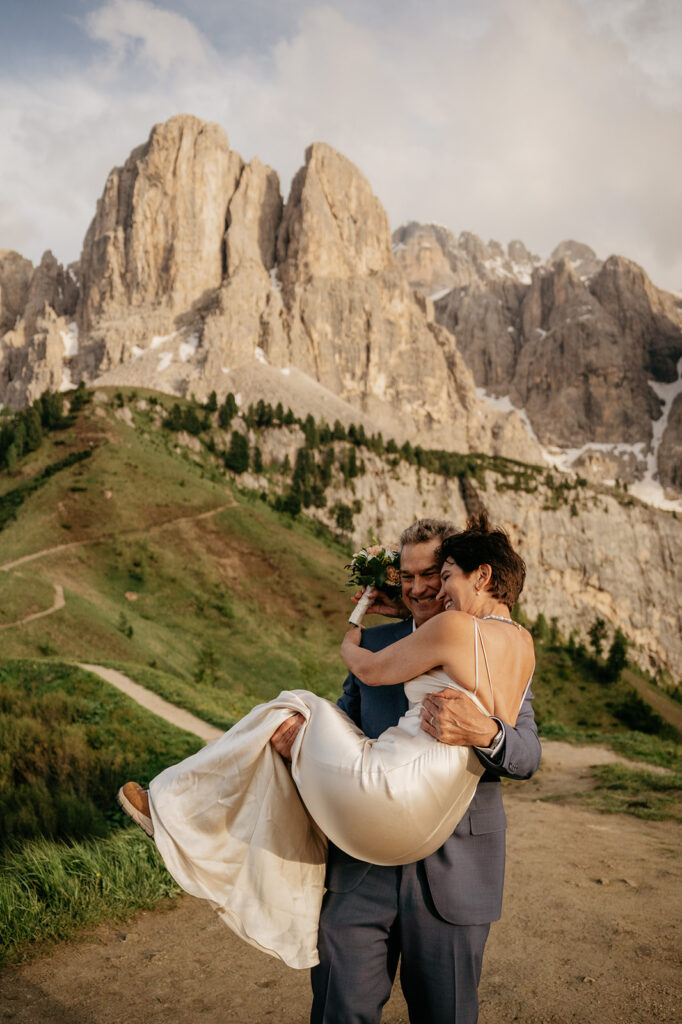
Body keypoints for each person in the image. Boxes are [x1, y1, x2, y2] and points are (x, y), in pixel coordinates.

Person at [271, 514, 541, 1024]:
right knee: (339, 1009)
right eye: (407, 576)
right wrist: (298, 746)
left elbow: (527, 754)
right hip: (362, 867)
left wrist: (486, 733)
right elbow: (346, 722)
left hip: (453, 873)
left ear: (461, 575)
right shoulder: (378, 643)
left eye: (433, 574)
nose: (418, 588)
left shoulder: (495, 644)